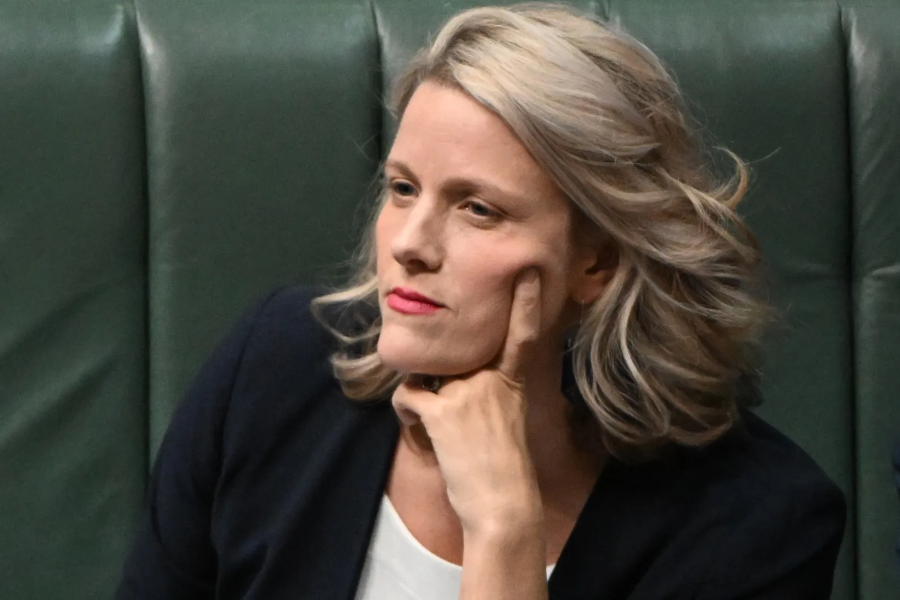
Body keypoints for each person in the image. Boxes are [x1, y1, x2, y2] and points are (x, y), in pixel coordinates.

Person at [115, 3, 846, 599]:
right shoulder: (274, 369)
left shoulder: (761, 526)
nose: (411, 243)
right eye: (404, 189)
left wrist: (503, 529)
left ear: (597, 262)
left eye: (478, 209)